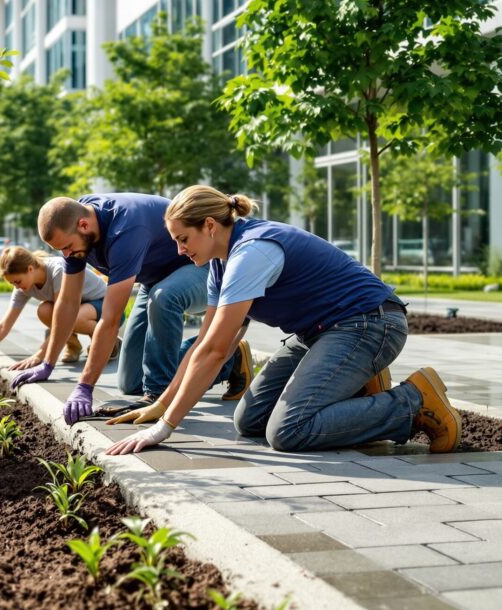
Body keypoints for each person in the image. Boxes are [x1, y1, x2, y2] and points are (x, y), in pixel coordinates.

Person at [105, 185, 462, 456]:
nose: (179, 251)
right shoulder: (218, 263)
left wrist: (164, 429)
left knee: (290, 432)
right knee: (249, 421)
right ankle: (358, 385)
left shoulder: (251, 253)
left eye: (183, 239)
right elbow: (206, 343)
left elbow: (215, 353)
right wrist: (162, 403)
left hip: (369, 323)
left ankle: (414, 403)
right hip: (320, 332)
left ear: (210, 225)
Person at [12, 194, 252, 425]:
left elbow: (111, 318)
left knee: (164, 298)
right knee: (131, 382)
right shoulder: (74, 222)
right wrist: (47, 363)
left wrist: (84, 386)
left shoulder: (125, 230)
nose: (66, 255)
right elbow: (67, 303)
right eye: (60, 250)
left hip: (205, 266)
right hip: (155, 280)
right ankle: (231, 357)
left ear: (83, 225)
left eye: (66, 247)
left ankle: (159, 397)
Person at [0, 246, 116, 369]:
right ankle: (73, 345)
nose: (16, 287)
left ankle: (109, 339)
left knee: (72, 317)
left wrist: (40, 355)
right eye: (12, 283)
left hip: (106, 305)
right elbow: (4, 326)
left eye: (17, 282)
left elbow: (65, 316)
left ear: (30, 269)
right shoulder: (23, 285)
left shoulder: (58, 271)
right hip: (80, 308)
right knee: (44, 310)